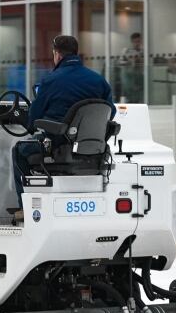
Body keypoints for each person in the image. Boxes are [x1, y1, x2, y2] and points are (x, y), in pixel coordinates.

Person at [12, 35, 116, 215]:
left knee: (20, 149)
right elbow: (110, 112)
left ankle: (25, 207)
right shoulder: (99, 81)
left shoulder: (50, 81)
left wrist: (29, 123)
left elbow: (34, 118)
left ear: (57, 55)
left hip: (59, 147)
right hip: (94, 150)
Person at [118, 32, 143, 103]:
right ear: (132, 42)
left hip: (139, 77)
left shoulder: (143, 52)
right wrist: (129, 61)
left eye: (138, 41)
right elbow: (120, 63)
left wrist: (139, 60)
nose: (137, 44)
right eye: (135, 42)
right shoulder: (126, 51)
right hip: (128, 77)